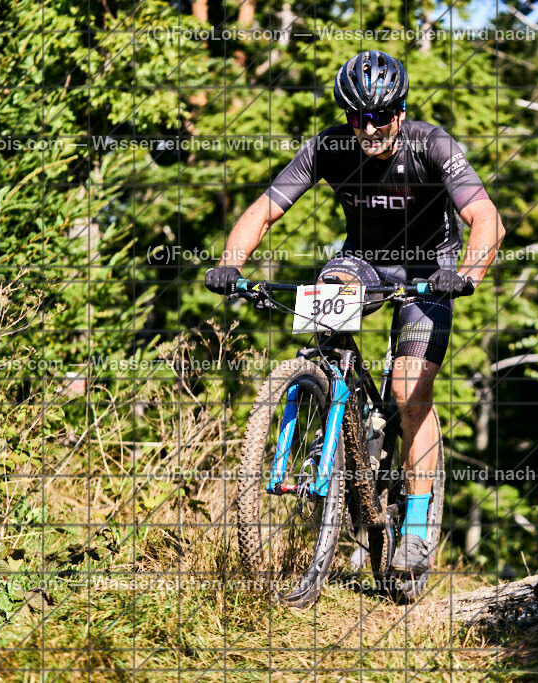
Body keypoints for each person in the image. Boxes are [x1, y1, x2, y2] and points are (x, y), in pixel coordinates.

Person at [205, 50, 505, 580]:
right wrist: (231, 263)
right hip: (362, 262)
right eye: (357, 116)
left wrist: (468, 273)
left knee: (410, 391)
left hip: (428, 268)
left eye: (381, 116)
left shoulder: (430, 144)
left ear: (400, 110)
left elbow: (486, 218)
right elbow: (265, 209)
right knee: (327, 294)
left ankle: (414, 524)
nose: (369, 128)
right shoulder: (329, 147)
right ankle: (329, 403)